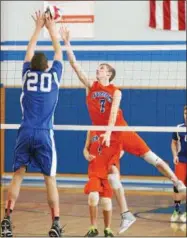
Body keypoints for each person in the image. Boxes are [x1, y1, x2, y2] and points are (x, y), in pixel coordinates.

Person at [60, 25, 187, 231]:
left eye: (102, 67)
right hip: (103, 134)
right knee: (111, 175)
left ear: (109, 73)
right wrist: (67, 43)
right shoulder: (91, 86)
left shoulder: (116, 91)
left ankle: (177, 182)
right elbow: (74, 65)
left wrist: (110, 133)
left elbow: (113, 114)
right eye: (99, 68)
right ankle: (126, 214)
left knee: (150, 157)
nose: (98, 69)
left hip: (120, 130)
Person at [1, 12, 63, 237]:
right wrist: (51, 28)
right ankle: (55, 222)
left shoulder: (26, 76)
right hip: (45, 134)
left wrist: (38, 27)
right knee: (50, 179)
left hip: (25, 132)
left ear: (32, 66)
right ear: (47, 66)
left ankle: (6, 220)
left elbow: (30, 48)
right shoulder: (55, 77)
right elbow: (59, 52)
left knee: (18, 175)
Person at [83, 131, 122, 237]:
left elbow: (121, 150)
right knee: (93, 196)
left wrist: (111, 161)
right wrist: (87, 155)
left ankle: (107, 229)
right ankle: (93, 228)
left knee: (106, 201)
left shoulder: (116, 131)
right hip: (95, 170)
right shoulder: (91, 130)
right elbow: (86, 148)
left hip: (108, 171)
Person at [170, 105, 187, 223]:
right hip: (181, 160)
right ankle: (176, 210)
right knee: (177, 186)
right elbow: (173, 143)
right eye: (185, 113)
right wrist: (175, 155)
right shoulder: (179, 128)